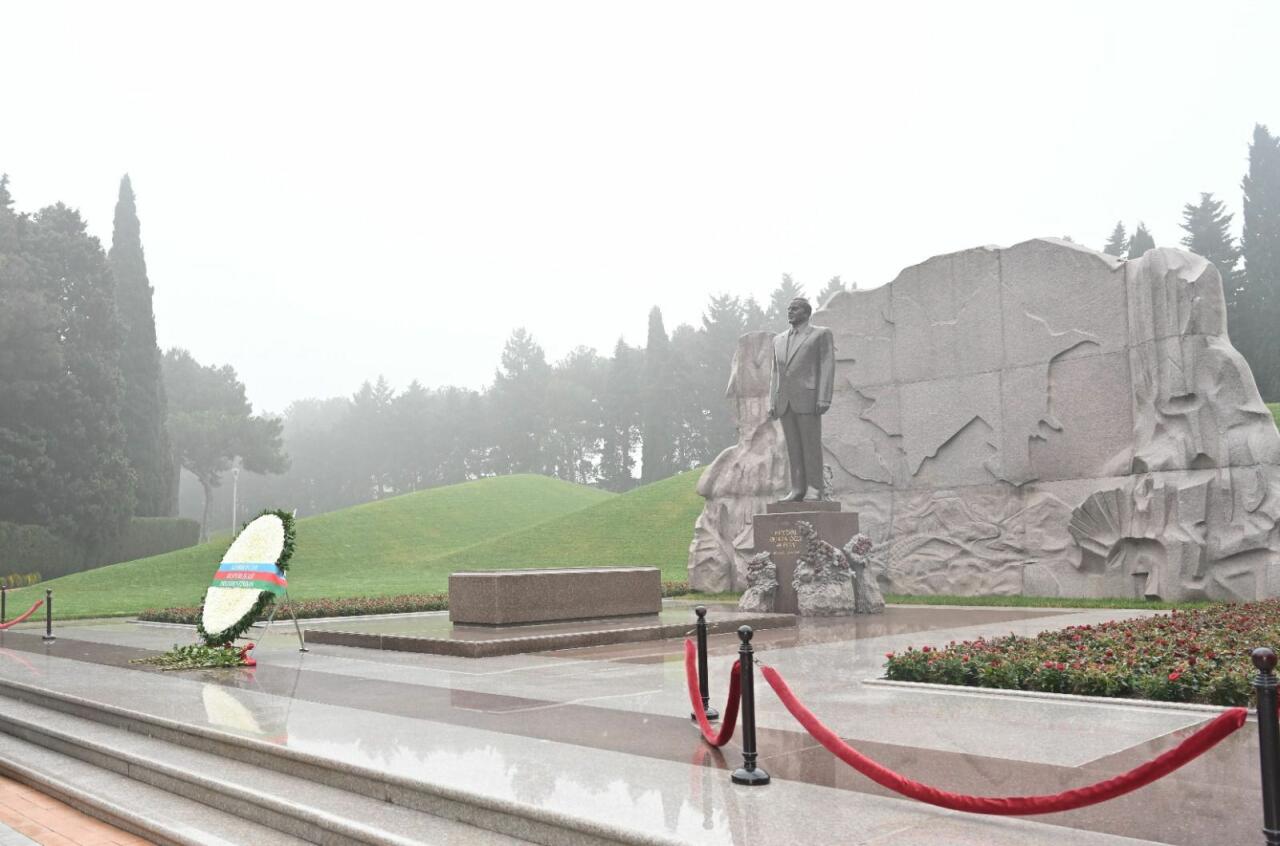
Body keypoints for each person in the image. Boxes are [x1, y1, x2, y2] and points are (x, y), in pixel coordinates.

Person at [768, 297, 835, 501]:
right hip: (784, 401)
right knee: (793, 447)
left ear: (806, 312)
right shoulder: (778, 340)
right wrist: (772, 400)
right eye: (789, 309)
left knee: (811, 446)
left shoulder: (820, 334)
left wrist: (824, 397)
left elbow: (827, 365)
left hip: (808, 398)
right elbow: (775, 373)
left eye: (795, 309)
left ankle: (815, 488)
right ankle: (797, 488)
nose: (790, 312)